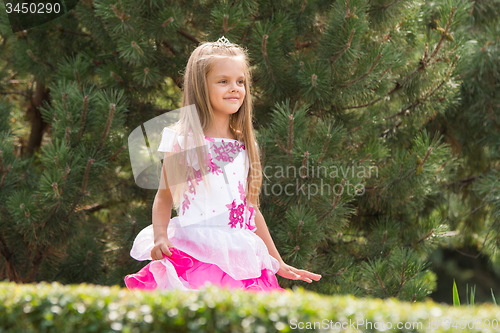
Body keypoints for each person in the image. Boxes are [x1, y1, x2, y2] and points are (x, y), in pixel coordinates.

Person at [124, 36, 321, 292]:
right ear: (200, 86)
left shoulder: (245, 145)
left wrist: (277, 262)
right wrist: (160, 237)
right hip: (196, 254)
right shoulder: (183, 141)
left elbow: (251, 209)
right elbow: (164, 197)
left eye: (240, 81)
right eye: (223, 81)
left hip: (241, 255)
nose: (235, 88)